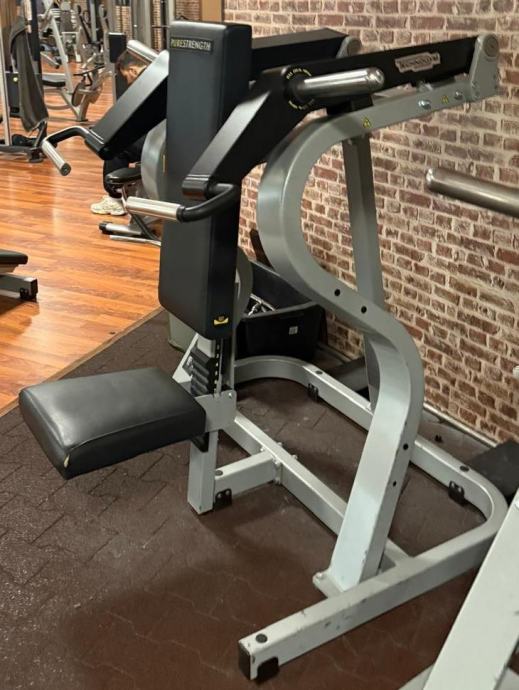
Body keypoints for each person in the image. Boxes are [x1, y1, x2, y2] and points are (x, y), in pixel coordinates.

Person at [90, 51, 147, 215]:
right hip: (167, 135)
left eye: (126, 76)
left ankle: (114, 198)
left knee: (114, 147)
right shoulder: (161, 73)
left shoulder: (146, 83)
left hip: (164, 141)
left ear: (132, 70)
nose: (128, 82)